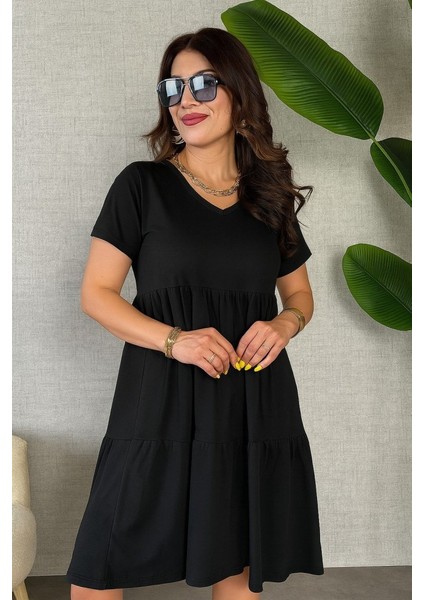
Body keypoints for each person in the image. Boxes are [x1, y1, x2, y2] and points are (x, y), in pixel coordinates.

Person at [66, 27, 324, 600]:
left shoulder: (269, 197)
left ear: (240, 94)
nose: (186, 100)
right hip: (157, 396)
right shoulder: (142, 185)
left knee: (237, 567)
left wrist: (284, 324)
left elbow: (300, 297)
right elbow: (97, 294)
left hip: (250, 399)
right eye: (173, 87)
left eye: (204, 84)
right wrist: (174, 340)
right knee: (101, 564)